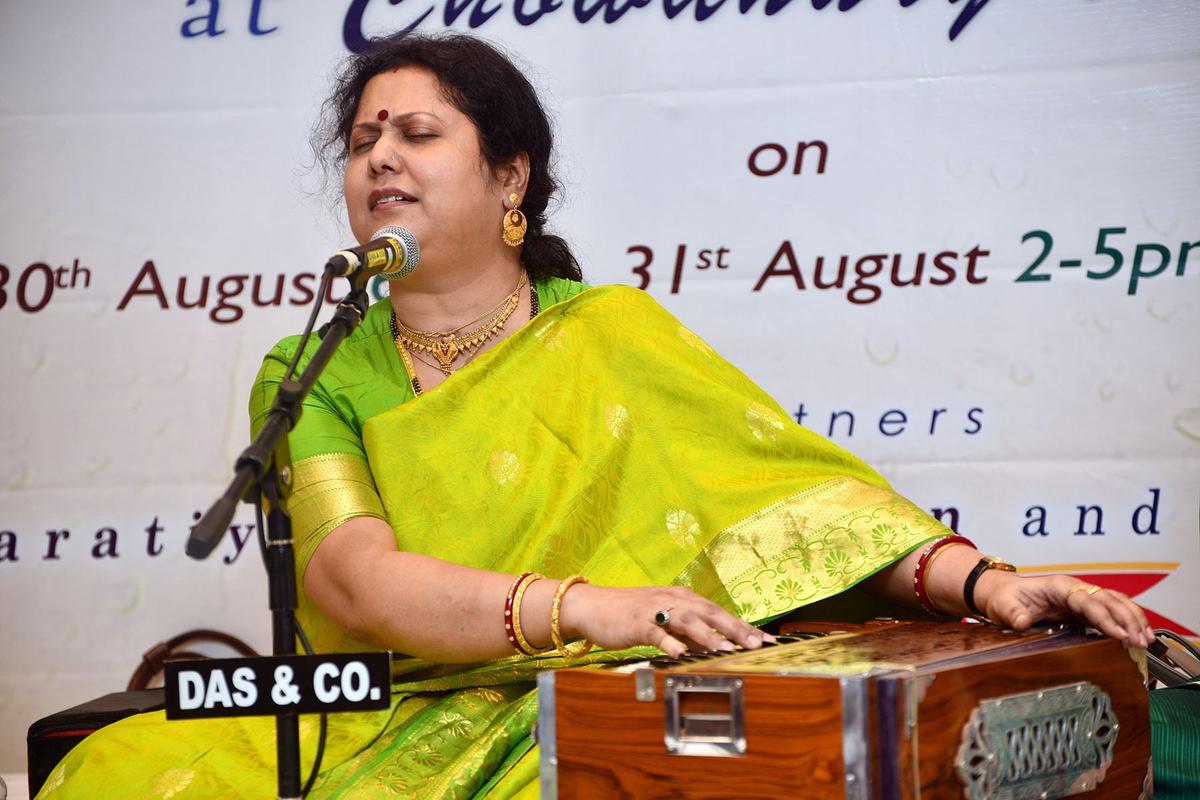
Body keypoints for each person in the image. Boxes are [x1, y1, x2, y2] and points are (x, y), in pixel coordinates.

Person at [38, 31, 1163, 800]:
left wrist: (983, 583)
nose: (380, 155)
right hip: (379, 709)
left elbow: (796, 514)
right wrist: (590, 603)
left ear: (511, 176)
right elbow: (351, 583)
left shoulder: (611, 335)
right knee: (127, 764)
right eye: (364, 139)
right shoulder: (318, 364)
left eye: (417, 133)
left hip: (591, 709)